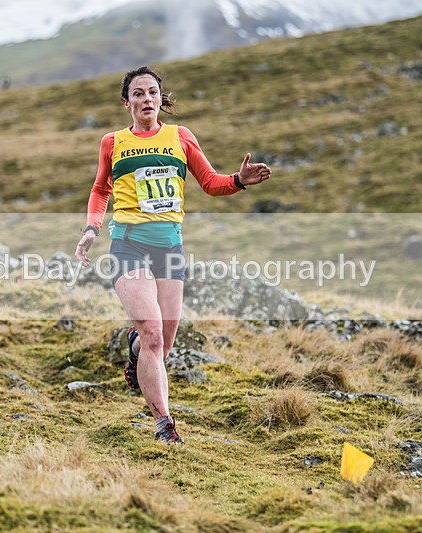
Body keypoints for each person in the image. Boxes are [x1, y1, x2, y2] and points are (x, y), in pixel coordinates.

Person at [74, 66, 271, 443]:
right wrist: (91, 230)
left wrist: (238, 181)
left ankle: (134, 350)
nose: (146, 99)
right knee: (152, 331)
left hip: (170, 246)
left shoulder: (180, 137)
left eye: (152, 93)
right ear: (126, 102)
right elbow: (101, 190)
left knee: (164, 341)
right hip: (128, 244)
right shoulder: (112, 142)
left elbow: (211, 183)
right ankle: (165, 424)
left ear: (160, 99)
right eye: (138, 93)